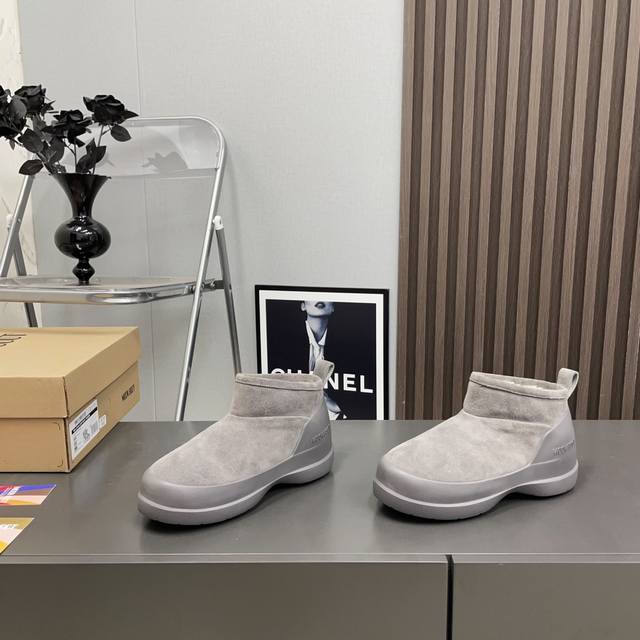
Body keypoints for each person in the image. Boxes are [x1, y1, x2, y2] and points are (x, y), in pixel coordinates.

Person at [301, 301, 345, 419]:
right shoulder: (282, 343)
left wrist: (339, 406)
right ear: (303, 305)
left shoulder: (347, 345)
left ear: (333, 307)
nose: (319, 299)